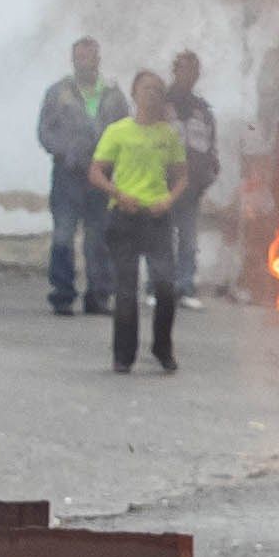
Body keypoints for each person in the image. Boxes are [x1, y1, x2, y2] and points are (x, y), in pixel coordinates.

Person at [92, 76, 191, 374]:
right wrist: (118, 194)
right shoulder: (117, 131)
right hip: (125, 216)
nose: (152, 95)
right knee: (126, 289)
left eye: (158, 91)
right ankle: (123, 355)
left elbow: (182, 176)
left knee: (165, 285)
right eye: (146, 89)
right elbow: (96, 172)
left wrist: (169, 200)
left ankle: (162, 347)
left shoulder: (168, 135)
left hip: (157, 217)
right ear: (134, 93)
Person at [36, 35, 126, 317]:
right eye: (79, 57)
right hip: (68, 175)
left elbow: (125, 130)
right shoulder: (58, 92)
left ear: (98, 59)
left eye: (89, 57)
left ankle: (99, 296)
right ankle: (62, 295)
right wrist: (66, 153)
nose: (84, 62)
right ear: (72, 60)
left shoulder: (113, 94)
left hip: (102, 176)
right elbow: (45, 131)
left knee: (99, 238)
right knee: (63, 235)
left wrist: (114, 163)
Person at [160, 48, 226, 297]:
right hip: (163, 182)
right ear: (175, 71)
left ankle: (185, 285)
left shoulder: (202, 109)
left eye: (193, 71)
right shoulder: (160, 104)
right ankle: (160, 284)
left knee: (188, 238)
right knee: (162, 236)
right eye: (184, 69)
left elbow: (210, 145)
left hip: (192, 184)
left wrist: (210, 172)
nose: (189, 75)